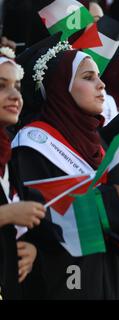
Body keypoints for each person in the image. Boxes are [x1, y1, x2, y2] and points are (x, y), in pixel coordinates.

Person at [11, 36, 119, 299]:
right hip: (63, 281)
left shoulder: (100, 144)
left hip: (107, 278)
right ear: (60, 86)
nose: (101, 84)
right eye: (88, 77)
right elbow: (45, 226)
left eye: (99, 76)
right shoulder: (32, 145)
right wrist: (114, 192)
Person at [0, 55, 45, 300]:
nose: (15, 96)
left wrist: (32, 248)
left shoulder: (8, 157)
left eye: (17, 87)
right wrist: (6, 215)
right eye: (1, 85)